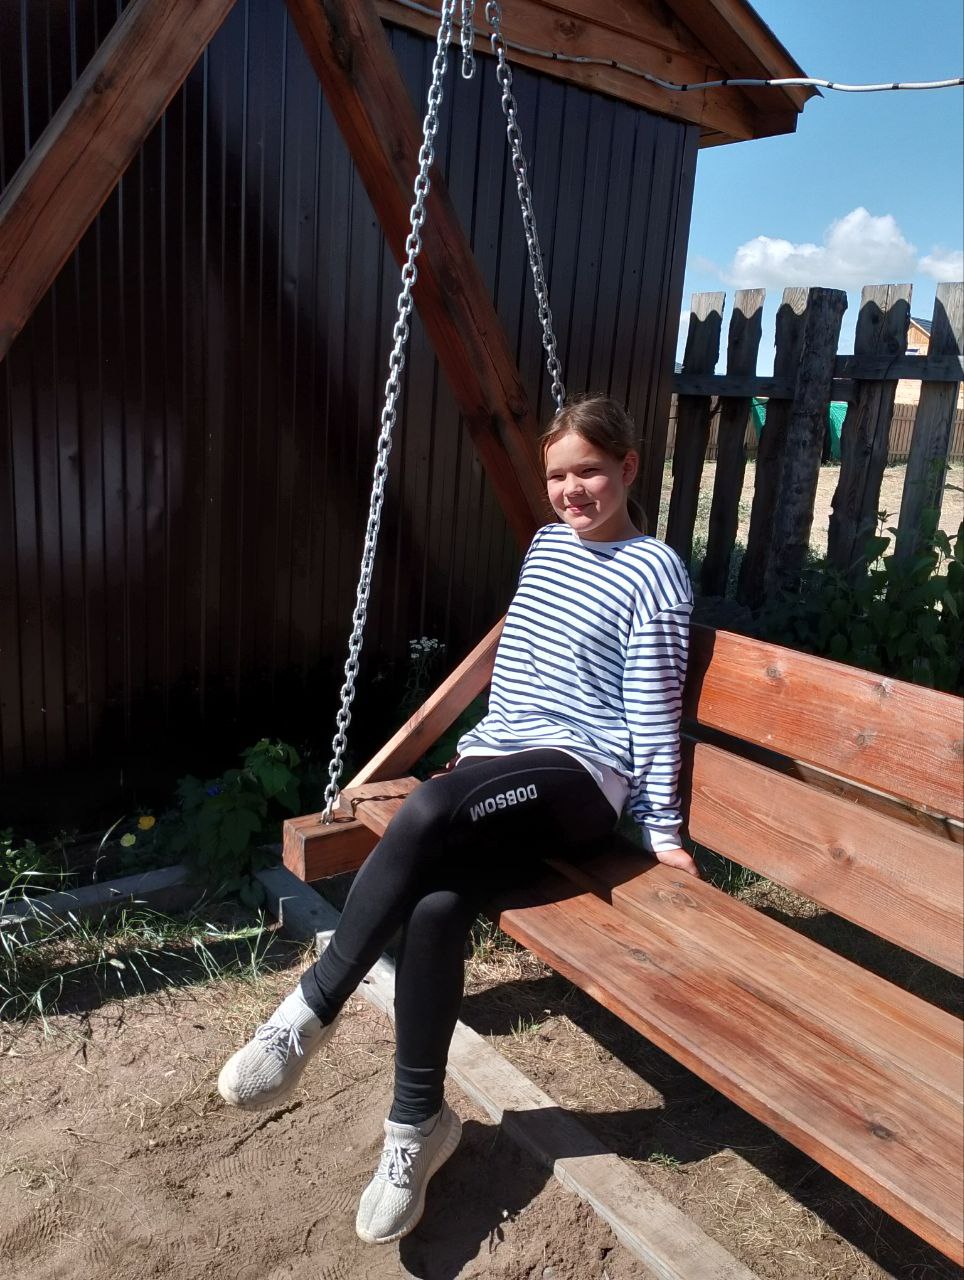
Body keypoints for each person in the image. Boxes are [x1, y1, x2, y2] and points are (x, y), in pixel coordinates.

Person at [217, 393, 696, 1245]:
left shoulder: (652, 570)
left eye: (590, 471)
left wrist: (662, 831)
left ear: (629, 468)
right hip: (506, 773)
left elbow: (654, 708)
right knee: (437, 907)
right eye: (558, 475)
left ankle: (307, 1010)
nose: (573, 490)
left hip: (584, 781)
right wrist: (479, 762)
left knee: (430, 803)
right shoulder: (547, 547)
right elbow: (519, 678)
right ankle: (417, 1129)